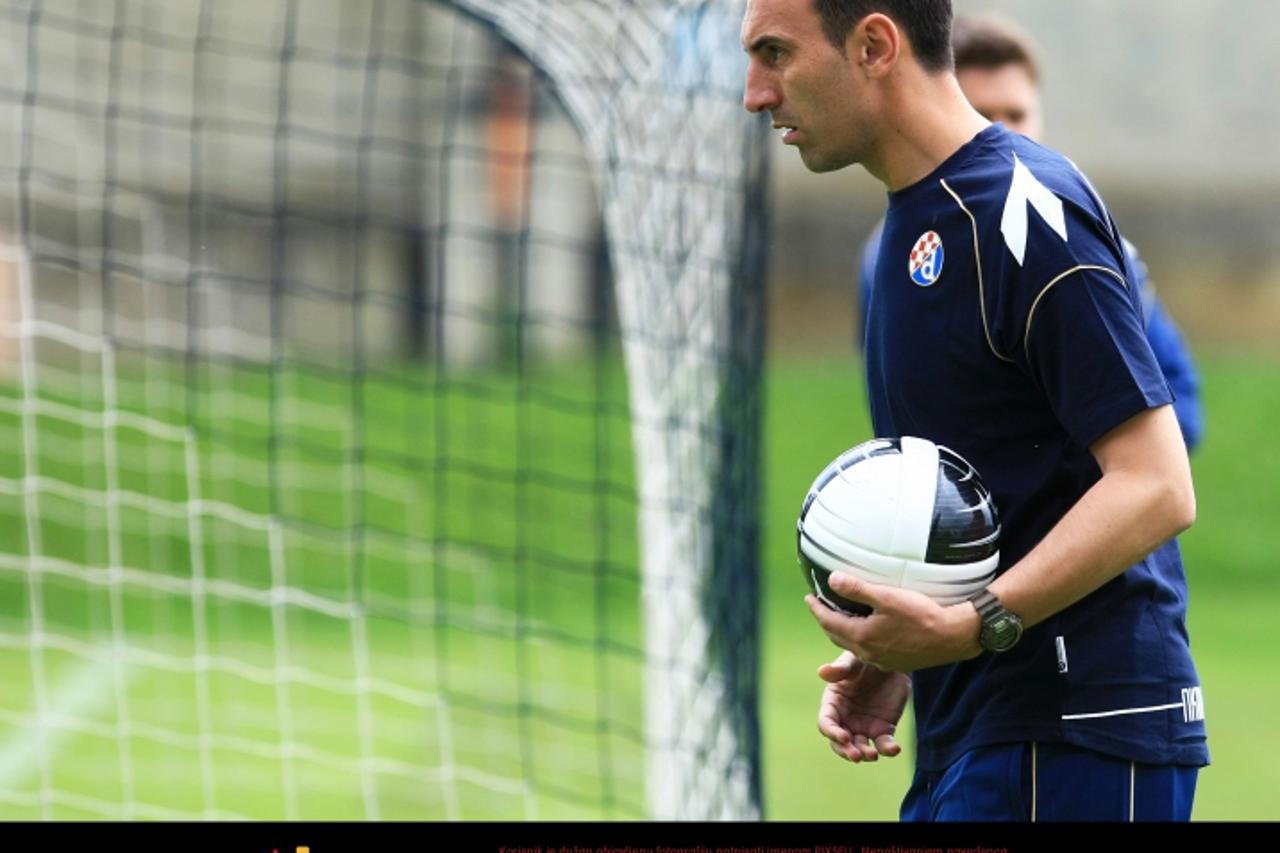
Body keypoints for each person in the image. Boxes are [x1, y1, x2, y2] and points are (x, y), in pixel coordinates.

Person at [741, 0, 1208, 821]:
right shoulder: (903, 232)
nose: (755, 92)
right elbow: (997, 484)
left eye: (775, 52)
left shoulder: (1026, 211)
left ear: (875, 45)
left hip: (1078, 733)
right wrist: (903, 651)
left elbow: (1157, 485)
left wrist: (971, 625)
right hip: (978, 730)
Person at [854, 16, 1204, 451]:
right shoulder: (885, 255)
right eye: (984, 115)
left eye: (1016, 114)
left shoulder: (1062, 235)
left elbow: (1179, 402)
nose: (1004, 131)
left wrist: (1083, 487)